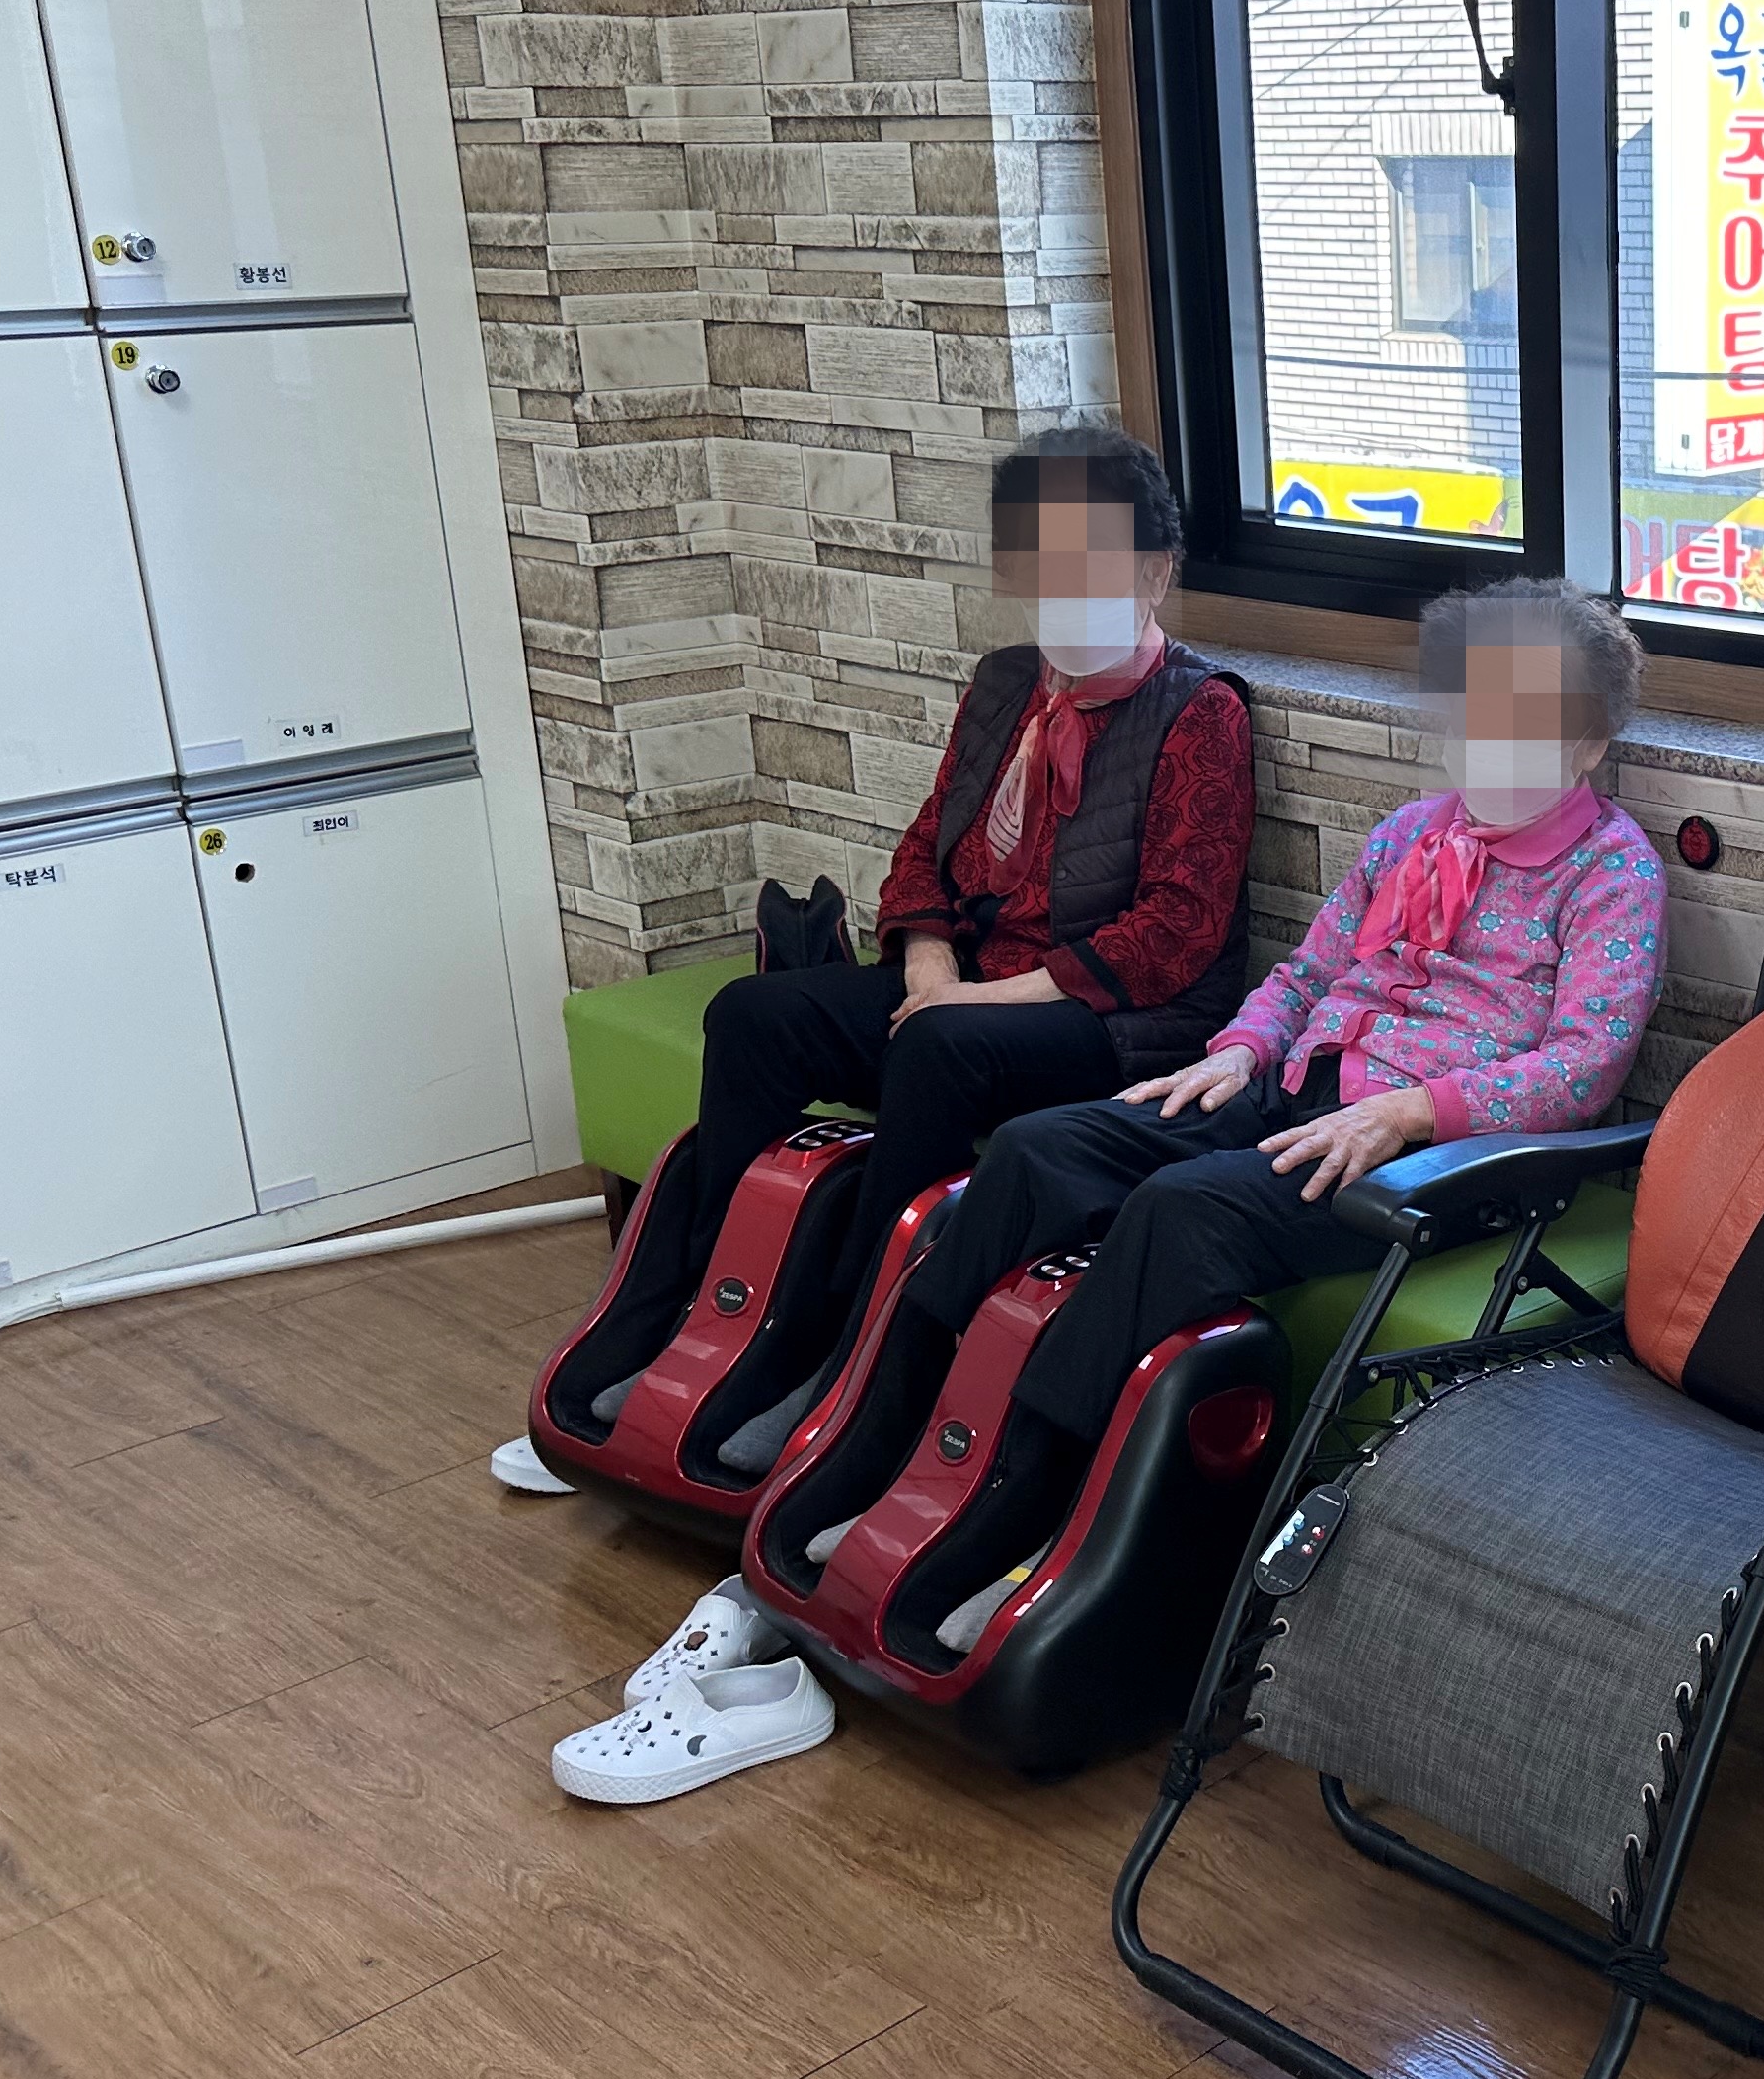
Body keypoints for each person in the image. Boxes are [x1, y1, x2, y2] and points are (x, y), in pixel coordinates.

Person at [570, 576, 1667, 1768]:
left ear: (1588, 742)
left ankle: (1017, 1515)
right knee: (1042, 1151)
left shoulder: (1612, 874)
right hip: (1287, 1091)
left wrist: (1412, 1109)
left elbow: (1586, 1067)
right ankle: (876, 1432)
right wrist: (1239, 1050)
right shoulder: (1414, 831)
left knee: (1176, 1211)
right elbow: (1305, 975)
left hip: (1429, 1155)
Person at [502, 424, 1257, 1491]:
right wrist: (930, 967)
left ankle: (849, 1356)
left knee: (938, 1052)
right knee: (755, 1017)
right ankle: (705, 1318)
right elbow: (924, 848)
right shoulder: (1004, 685)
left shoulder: (1201, 712)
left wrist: (976, 1004)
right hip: (970, 989)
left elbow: (1175, 933)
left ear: (1156, 571)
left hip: (1114, 1021)